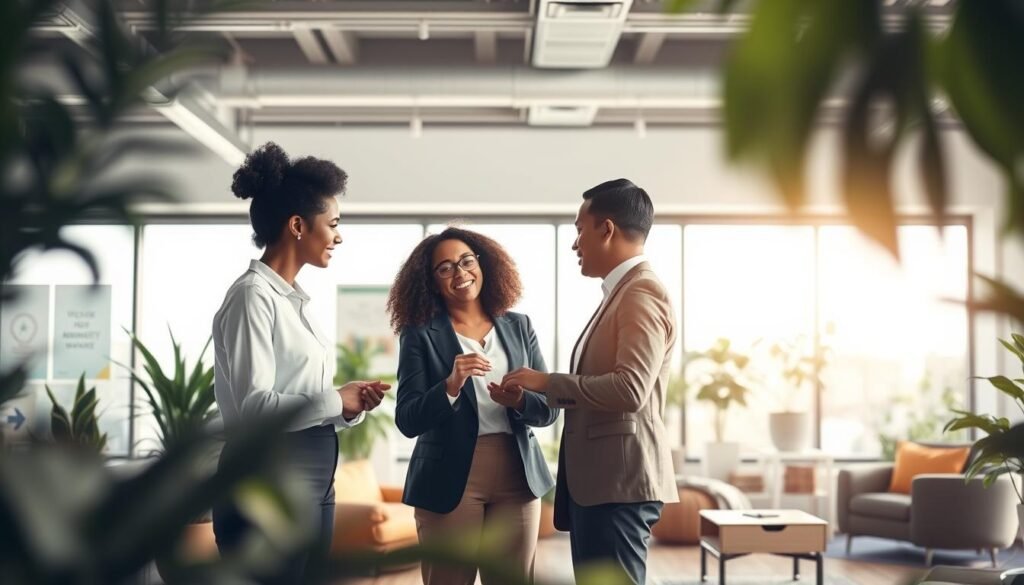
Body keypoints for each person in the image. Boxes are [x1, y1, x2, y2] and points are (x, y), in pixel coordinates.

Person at [211, 142, 390, 584]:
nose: (339, 235)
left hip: (313, 477)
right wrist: (335, 398)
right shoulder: (252, 297)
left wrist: (347, 406)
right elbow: (256, 408)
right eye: (332, 224)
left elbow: (302, 398)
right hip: (265, 480)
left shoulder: (295, 302)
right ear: (297, 225)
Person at [500, 179, 679, 585]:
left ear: (607, 229)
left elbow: (630, 389)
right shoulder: (620, 294)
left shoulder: (641, 292)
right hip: (604, 484)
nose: (575, 243)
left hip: (619, 483)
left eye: (580, 228)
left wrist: (547, 382)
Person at [387, 227, 558, 585]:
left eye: (466, 261)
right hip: (449, 477)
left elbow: (549, 407)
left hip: (517, 473)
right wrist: (449, 386)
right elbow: (407, 418)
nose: (460, 273)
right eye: (445, 268)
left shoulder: (518, 325)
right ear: (432, 281)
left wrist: (521, 400)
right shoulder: (419, 334)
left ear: (482, 263)